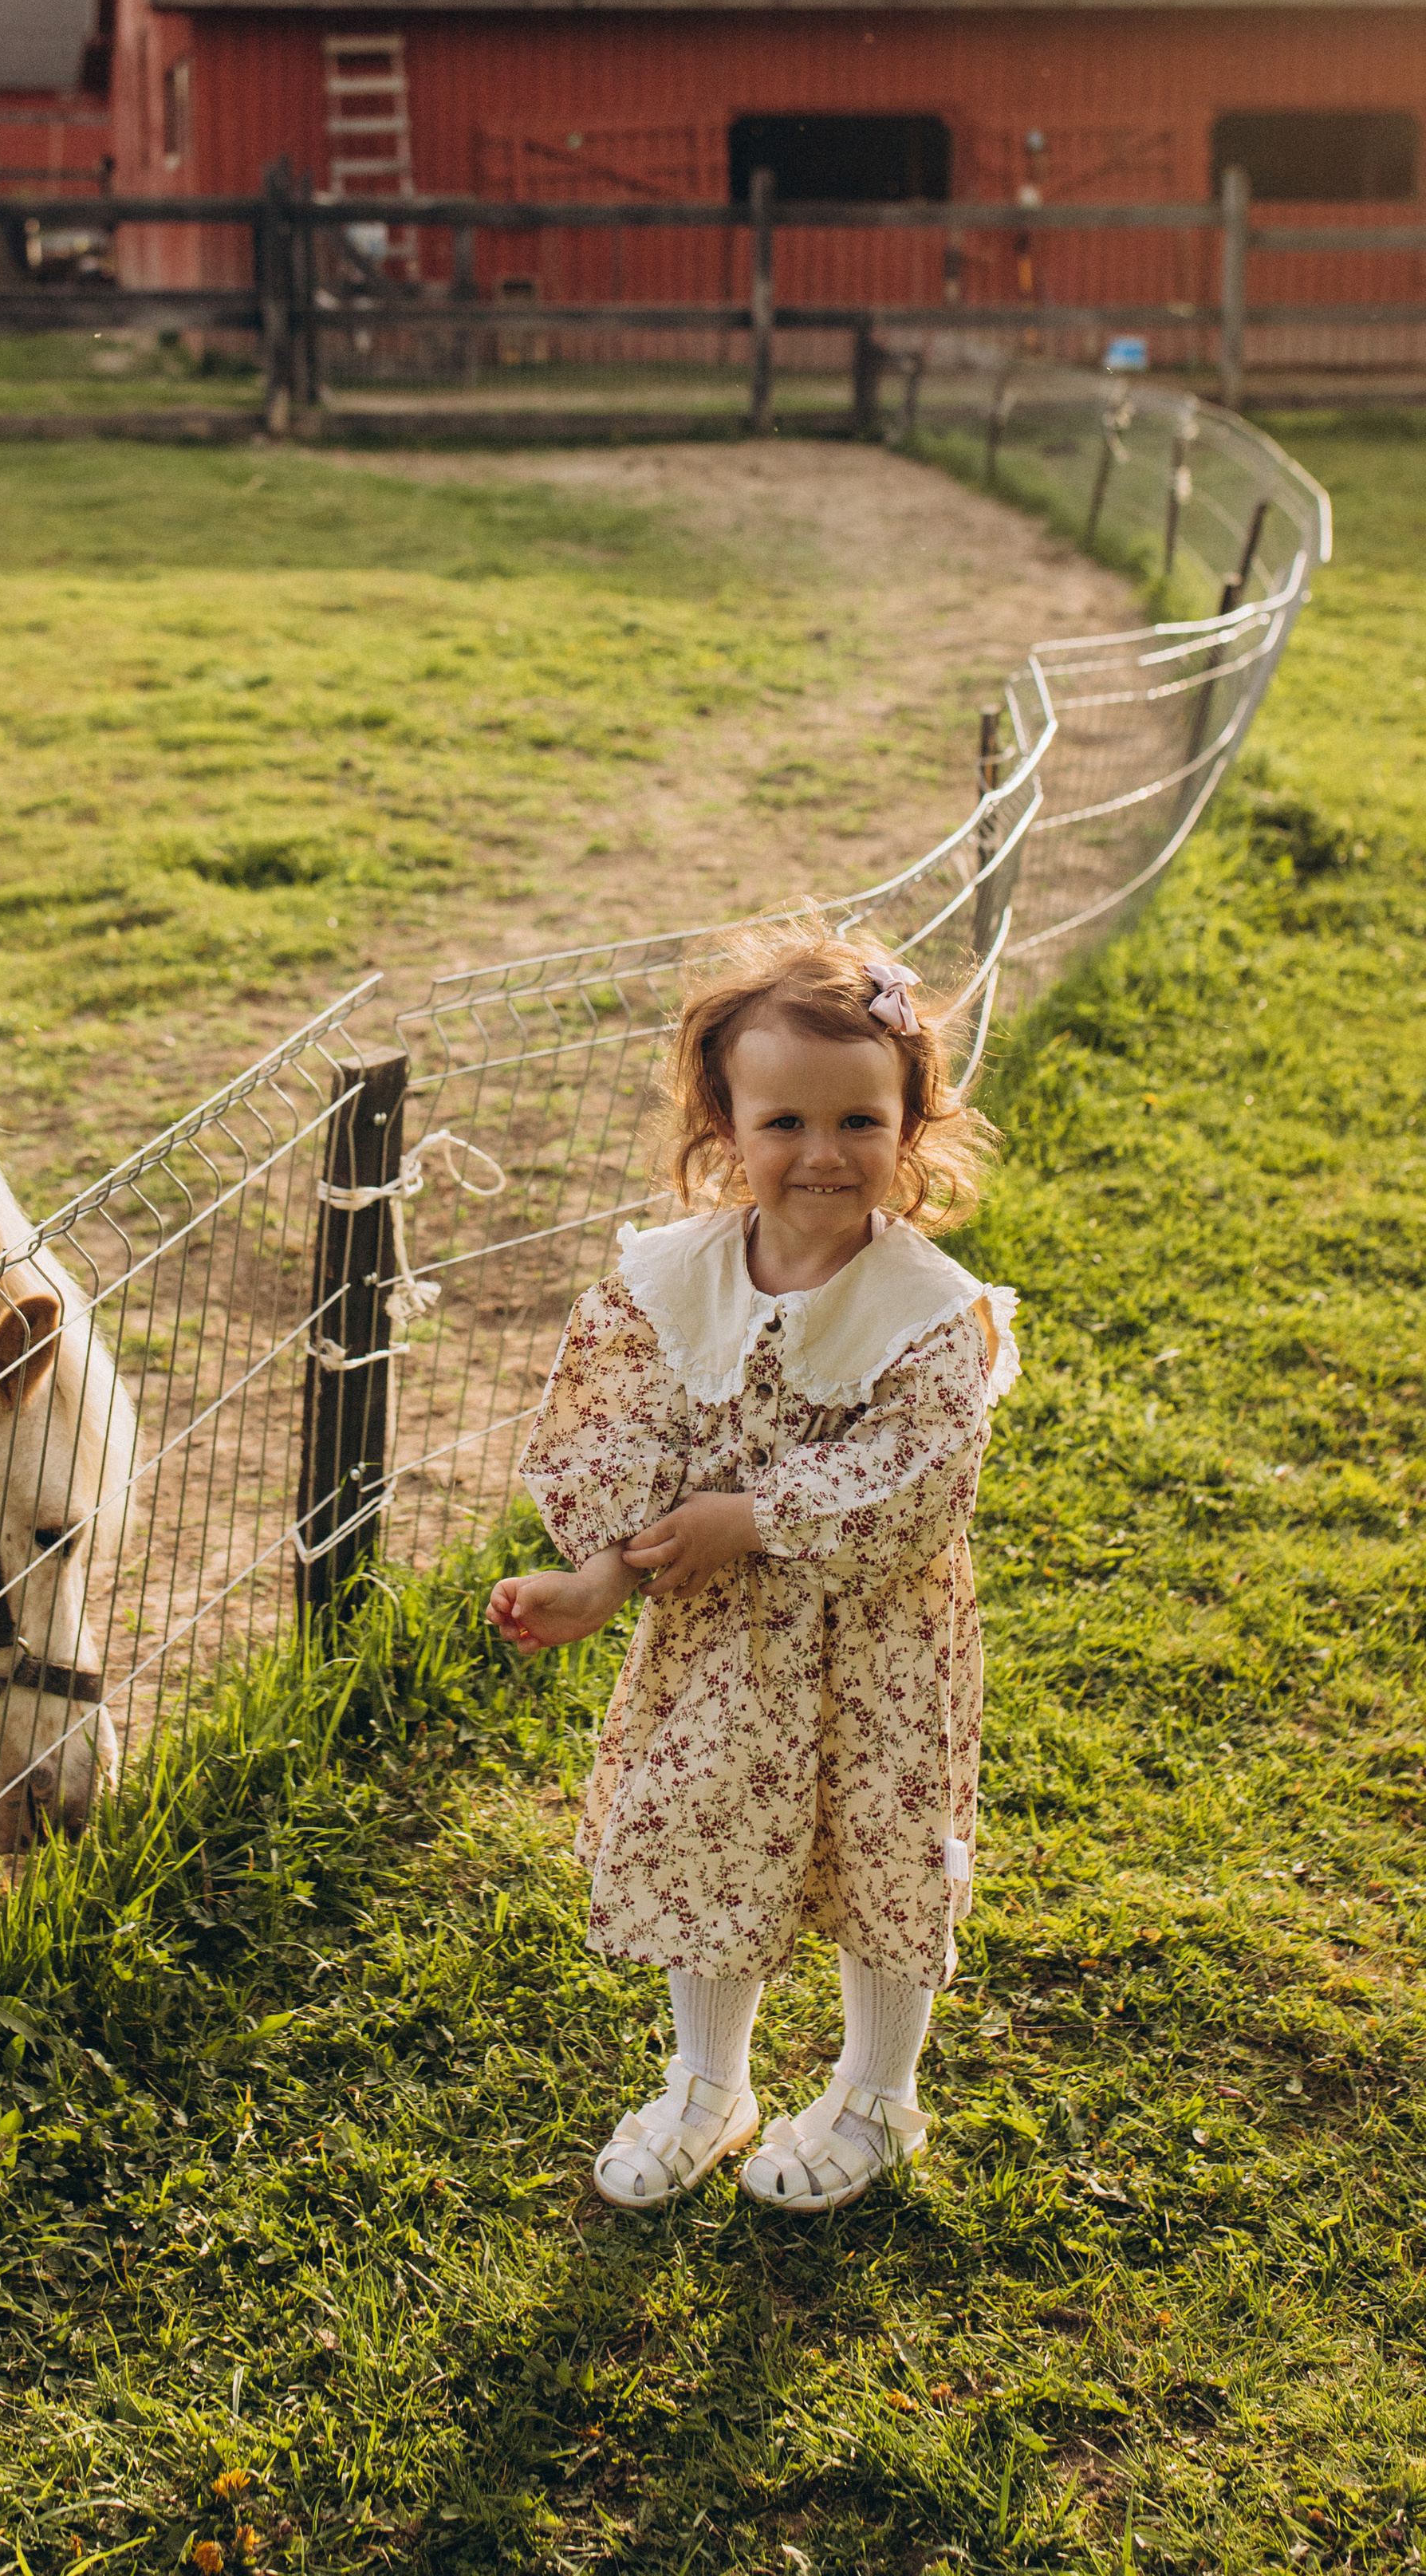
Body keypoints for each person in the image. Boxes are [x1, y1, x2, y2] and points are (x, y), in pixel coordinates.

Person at [488, 922, 1018, 2213]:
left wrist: (760, 1515)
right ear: (724, 1123)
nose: (824, 1155)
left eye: (860, 1121)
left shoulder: (930, 1308)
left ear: (913, 1126)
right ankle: (708, 2085)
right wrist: (605, 1577)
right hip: (722, 1646)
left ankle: (880, 2097)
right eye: (785, 1121)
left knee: (878, 1856)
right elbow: (627, 1439)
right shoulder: (673, 1284)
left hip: (878, 1648)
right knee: (713, 1836)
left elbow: (919, 1478)